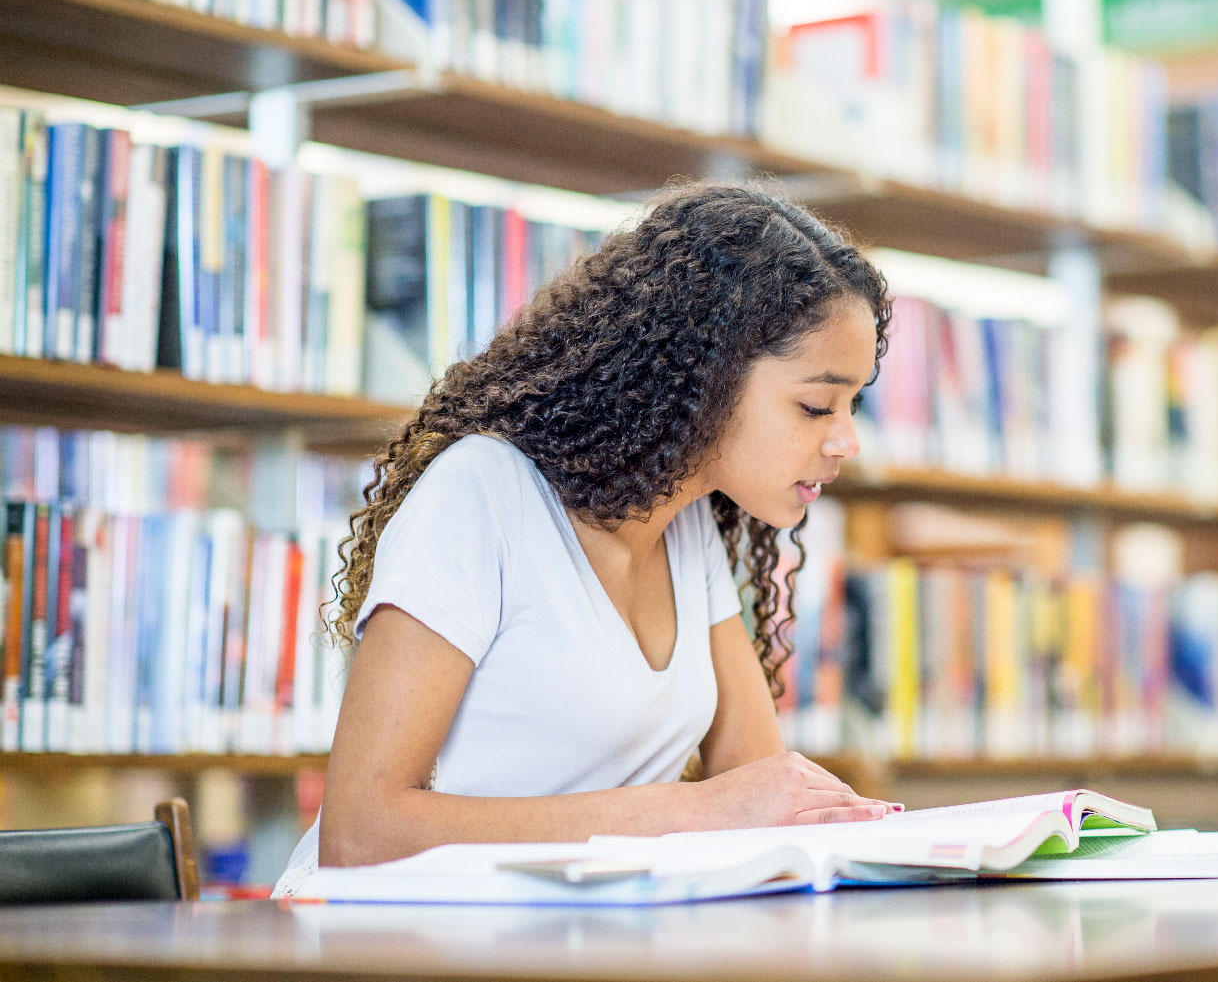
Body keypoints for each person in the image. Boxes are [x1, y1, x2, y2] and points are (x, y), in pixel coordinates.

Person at [274, 183, 896, 894]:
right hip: (384, 941)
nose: (845, 440)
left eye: (854, 404)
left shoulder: (689, 528)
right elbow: (359, 834)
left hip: (566, 937)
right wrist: (688, 813)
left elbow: (757, 791)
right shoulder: (481, 493)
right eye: (816, 404)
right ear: (706, 374)